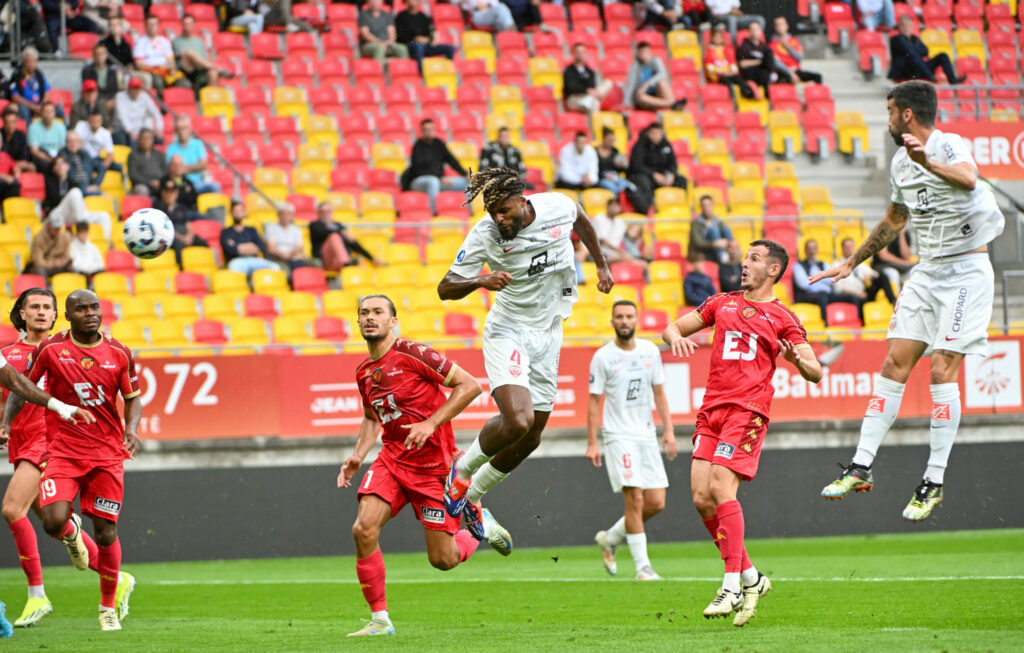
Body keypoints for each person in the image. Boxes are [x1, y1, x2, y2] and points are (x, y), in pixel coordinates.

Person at [815, 81, 1004, 520]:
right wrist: (852, 261)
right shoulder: (900, 162)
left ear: (906, 115)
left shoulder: (947, 144)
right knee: (893, 364)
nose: (886, 118)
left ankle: (932, 480)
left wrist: (929, 161)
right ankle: (861, 465)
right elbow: (896, 218)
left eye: (889, 110)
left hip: (966, 272)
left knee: (941, 368)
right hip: (928, 269)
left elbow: (969, 179)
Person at [437, 167, 614, 538]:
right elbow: (445, 288)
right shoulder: (485, 234)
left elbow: (580, 217)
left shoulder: (556, 207)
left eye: (504, 210)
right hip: (509, 331)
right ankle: (462, 472)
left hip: (549, 331)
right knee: (517, 420)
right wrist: (479, 280)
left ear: (523, 200)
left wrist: (600, 263)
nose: (499, 220)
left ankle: (473, 496)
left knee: (531, 435)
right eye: (493, 213)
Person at [663, 239, 822, 625]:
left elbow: (817, 372)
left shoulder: (783, 316)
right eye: (745, 257)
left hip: (747, 410)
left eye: (754, 259)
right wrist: (677, 337)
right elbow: (673, 327)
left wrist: (797, 361)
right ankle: (753, 577)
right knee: (702, 498)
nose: (744, 264)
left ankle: (731, 584)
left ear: (773, 270)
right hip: (712, 409)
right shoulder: (721, 302)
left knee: (720, 487)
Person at [338, 294, 512, 637]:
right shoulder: (364, 372)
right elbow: (372, 417)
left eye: (377, 312)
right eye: (363, 313)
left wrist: (431, 423)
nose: (369, 317)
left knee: (443, 560)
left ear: (393, 321)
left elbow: (470, 385)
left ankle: (478, 526)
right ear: (357, 322)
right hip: (391, 460)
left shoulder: (413, 353)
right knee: (363, 529)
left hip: (435, 468)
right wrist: (359, 453)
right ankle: (380, 621)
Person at [2, 289, 140, 631]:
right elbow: (16, 386)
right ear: (20, 313)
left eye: (46, 307)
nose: (40, 312)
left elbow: (131, 396)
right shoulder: (24, 352)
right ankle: (103, 569)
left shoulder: (106, 351)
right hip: (41, 443)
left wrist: (131, 428)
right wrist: (6, 423)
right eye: (33, 307)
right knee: (52, 521)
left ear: (54, 315)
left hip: (68, 445)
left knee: (16, 510)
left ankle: (51, 596)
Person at [589, 300, 676, 581]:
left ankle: (611, 537)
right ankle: (643, 568)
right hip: (618, 436)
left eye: (629, 316)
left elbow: (659, 393)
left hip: (646, 434)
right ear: (612, 321)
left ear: (636, 320)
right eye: (619, 317)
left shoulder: (650, 351)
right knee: (635, 500)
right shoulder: (603, 357)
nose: (624, 321)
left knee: (656, 502)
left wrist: (669, 430)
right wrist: (593, 442)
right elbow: (594, 401)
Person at [401, 119, 468, 214]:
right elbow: (417, 170)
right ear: (422, 131)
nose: (429, 132)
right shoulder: (417, 146)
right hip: (419, 182)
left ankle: (470, 213)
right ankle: (434, 213)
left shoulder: (439, 144)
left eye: (431, 129)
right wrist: (439, 178)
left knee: (467, 183)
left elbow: (451, 160)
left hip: (438, 180)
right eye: (426, 129)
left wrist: (465, 173)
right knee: (433, 181)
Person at [793, 238, 865, 321]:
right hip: (807, 295)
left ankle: (858, 322)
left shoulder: (823, 264)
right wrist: (823, 276)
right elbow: (804, 284)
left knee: (852, 298)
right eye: (809, 248)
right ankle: (825, 325)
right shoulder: (798, 265)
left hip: (827, 294)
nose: (812, 251)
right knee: (822, 298)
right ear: (805, 250)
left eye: (814, 248)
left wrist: (813, 276)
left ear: (817, 250)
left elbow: (832, 280)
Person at [627, 123, 687, 215]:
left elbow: (673, 162)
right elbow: (636, 165)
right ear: (648, 133)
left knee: (681, 180)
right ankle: (651, 210)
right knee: (644, 182)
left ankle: (681, 208)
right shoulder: (639, 146)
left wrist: (671, 174)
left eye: (659, 133)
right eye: (653, 133)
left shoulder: (665, 144)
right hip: (647, 176)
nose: (656, 136)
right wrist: (653, 174)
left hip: (663, 176)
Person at [889, 16, 965, 84]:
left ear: (912, 27)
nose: (906, 28)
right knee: (913, 56)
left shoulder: (915, 39)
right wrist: (914, 50)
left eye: (908, 25)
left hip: (920, 69)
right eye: (903, 25)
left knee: (943, 55)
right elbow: (910, 52)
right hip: (906, 71)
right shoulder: (896, 39)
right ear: (899, 27)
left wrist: (912, 49)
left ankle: (952, 79)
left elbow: (925, 51)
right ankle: (929, 76)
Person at [311, 201, 382, 272]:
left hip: (337, 262)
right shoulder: (315, 225)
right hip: (325, 261)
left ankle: (347, 263)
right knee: (334, 237)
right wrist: (340, 232)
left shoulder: (338, 225)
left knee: (362, 265)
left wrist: (371, 258)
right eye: (323, 212)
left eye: (328, 211)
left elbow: (354, 243)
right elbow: (321, 232)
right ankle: (346, 262)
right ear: (319, 213)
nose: (326, 214)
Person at [153, 178, 207, 263]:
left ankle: (206, 264)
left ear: (177, 193)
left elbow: (188, 225)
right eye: (167, 192)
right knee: (178, 245)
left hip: (183, 233)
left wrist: (189, 235)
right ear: (162, 193)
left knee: (202, 242)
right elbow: (163, 229)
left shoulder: (181, 208)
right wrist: (182, 238)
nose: (170, 195)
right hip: (171, 236)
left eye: (173, 192)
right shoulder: (159, 208)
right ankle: (182, 269)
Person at [221, 200, 280, 276]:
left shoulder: (251, 230)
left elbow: (260, 246)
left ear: (244, 212)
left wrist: (240, 247)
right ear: (231, 213)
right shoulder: (226, 232)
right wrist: (250, 246)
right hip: (237, 260)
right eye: (236, 211)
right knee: (234, 268)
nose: (238, 213)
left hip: (254, 259)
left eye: (240, 210)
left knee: (275, 267)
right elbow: (230, 250)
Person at [173, 14, 232, 90]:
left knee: (213, 72)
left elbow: (204, 58)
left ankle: (211, 98)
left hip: (200, 68)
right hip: (187, 70)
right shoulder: (176, 41)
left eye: (190, 24)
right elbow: (182, 56)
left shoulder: (199, 40)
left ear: (194, 25)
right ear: (182, 25)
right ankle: (219, 69)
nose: (188, 26)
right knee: (189, 53)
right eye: (185, 24)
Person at [395, 0, 455, 73]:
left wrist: (429, 39)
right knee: (419, 47)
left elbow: (430, 33)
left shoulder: (423, 17)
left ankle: (447, 71)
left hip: (425, 44)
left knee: (450, 49)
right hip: (410, 43)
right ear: (406, 2)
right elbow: (399, 36)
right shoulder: (401, 17)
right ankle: (422, 73)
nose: (413, 2)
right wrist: (415, 39)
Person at [624, 42, 686, 112]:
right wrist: (627, 103)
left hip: (656, 94)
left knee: (662, 82)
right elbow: (630, 85)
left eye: (646, 52)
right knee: (641, 96)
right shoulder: (635, 66)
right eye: (642, 52)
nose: (645, 55)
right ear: (638, 53)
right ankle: (672, 104)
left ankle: (670, 103)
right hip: (643, 98)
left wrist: (647, 84)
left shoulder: (655, 60)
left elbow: (662, 74)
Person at [833, 236, 895, 305]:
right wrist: (858, 294)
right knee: (857, 300)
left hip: (864, 293)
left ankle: (893, 302)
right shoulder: (837, 265)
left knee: (882, 277)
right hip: (852, 296)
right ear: (842, 249)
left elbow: (875, 274)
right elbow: (839, 289)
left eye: (851, 247)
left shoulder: (859, 263)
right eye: (847, 247)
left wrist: (871, 276)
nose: (849, 249)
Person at [165, 115, 218, 194]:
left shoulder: (197, 144)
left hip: (197, 182)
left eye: (183, 128)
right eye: (178, 129)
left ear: (189, 129)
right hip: (180, 183)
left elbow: (204, 165)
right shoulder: (170, 148)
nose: (181, 131)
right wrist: (195, 167)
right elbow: (173, 170)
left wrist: (185, 169)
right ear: (175, 131)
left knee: (215, 187)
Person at [591, 198, 647, 271]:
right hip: (602, 253)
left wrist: (636, 230)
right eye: (613, 205)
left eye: (617, 206)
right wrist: (620, 251)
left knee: (642, 262)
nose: (615, 208)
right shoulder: (599, 219)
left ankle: (639, 265)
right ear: (608, 206)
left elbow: (628, 237)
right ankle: (638, 263)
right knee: (636, 262)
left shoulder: (620, 222)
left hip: (616, 253)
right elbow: (603, 241)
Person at [133, 15, 182, 91]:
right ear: (145, 26)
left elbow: (171, 61)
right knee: (159, 82)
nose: (152, 27)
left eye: (154, 24)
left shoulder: (165, 41)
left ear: (158, 26)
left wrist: (172, 69)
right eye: (150, 24)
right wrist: (155, 68)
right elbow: (139, 64)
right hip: (150, 72)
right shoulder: (140, 42)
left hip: (166, 71)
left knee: (184, 83)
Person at [704, 23, 753, 98]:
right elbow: (709, 67)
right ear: (712, 38)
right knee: (727, 81)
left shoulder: (726, 50)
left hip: (729, 73)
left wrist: (732, 71)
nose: (718, 39)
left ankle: (747, 92)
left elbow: (732, 62)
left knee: (738, 79)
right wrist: (722, 72)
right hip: (719, 75)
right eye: (716, 37)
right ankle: (731, 96)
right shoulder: (709, 51)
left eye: (720, 37)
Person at [563, 43, 613, 116]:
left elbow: (592, 85)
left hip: (588, 96)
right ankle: (595, 126)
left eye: (582, 52)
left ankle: (594, 99)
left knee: (608, 83)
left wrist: (590, 91)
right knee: (595, 102)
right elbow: (571, 87)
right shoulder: (569, 71)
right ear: (574, 54)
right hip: (575, 98)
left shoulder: (589, 71)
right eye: (578, 52)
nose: (580, 54)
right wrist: (586, 89)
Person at [770, 16, 823, 85]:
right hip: (783, 72)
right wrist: (790, 72)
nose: (780, 27)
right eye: (778, 25)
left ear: (786, 26)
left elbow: (800, 58)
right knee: (784, 78)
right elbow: (776, 63)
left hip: (796, 70)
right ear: (775, 27)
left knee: (817, 76)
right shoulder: (772, 44)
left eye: (782, 24)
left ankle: (817, 95)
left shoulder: (794, 41)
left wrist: (787, 46)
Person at [265, 203, 317, 271]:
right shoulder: (271, 228)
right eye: (283, 213)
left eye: (288, 213)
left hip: (293, 257)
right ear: (278, 214)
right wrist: (284, 255)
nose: (285, 216)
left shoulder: (296, 229)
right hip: (278, 258)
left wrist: (290, 255)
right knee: (286, 271)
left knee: (315, 263)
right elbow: (271, 248)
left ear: (292, 215)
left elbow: (299, 247)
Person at [9, 47, 55, 122]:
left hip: (40, 105)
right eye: (29, 61)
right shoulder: (17, 75)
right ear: (24, 62)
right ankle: (27, 133)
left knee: (56, 109)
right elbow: (15, 97)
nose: (31, 64)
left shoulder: (39, 74)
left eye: (33, 61)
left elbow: (47, 93)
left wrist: (42, 107)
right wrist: (33, 107)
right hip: (26, 105)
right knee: (24, 110)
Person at [115, 77, 163, 147]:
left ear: (140, 89)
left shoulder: (144, 97)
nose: (135, 91)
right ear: (128, 88)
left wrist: (159, 128)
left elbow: (156, 113)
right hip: (124, 129)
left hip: (140, 129)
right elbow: (123, 117)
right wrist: (130, 131)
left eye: (137, 88)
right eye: (133, 88)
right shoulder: (120, 96)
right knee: (133, 140)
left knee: (159, 138)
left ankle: (155, 156)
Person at [74, 110, 120, 176]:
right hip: (82, 157)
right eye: (93, 121)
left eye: (98, 121)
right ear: (88, 120)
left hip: (96, 158)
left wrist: (104, 165)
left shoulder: (105, 133)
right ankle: (91, 184)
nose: (95, 123)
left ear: (101, 121)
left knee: (117, 167)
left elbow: (110, 154)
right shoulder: (80, 126)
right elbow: (74, 142)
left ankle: (95, 185)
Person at [736, 22, 776, 99]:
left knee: (769, 54)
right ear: (749, 32)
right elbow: (742, 64)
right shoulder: (744, 46)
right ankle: (768, 89)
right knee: (765, 71)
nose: (755, 31)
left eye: (757, 29)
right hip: (750, 73)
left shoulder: (764, 46)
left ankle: (773, 74)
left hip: (764, 71)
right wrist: (760, 61)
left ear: (761, 31)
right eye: (753, 29)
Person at [689, 195, 733, 264]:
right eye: (704, 205)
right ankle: (722, 255)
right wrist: (714, 244)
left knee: (726, 229)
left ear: (712, 206)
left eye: (708, 205)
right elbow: (698, 243)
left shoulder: (717, 220)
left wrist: (725, 242)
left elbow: (725, 233)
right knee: (713, 229)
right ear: (701, 207)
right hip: (704, 252)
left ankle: (731, 252)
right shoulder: (696, 223)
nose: (706, 207)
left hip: (716, 249)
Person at [60, 130, 105, 196]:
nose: (73, 144)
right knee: (102, 195)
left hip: (88, 184)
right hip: (74, 186)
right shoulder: (63, 155)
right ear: (66, 143)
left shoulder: (85, 155)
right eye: (70, 141)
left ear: (79, 143)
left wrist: (96, 184)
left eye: (75, 141)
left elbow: (101, 167)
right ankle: (100, 193)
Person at [27, 101, 66, 172]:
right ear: (41, 113)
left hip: (58, 155)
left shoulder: (61, 126)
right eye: (46, 112)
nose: (49, 114)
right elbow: (34, 150)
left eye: (51, 112)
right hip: (42, 156)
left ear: (55, 113)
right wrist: (51, 160)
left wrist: (58, 160)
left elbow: (62, 147)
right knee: (47, 165)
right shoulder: (33, 127)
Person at [126, 128, 166, 196]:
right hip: (143, 184)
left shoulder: (159, 154)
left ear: (153, 140)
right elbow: (133, 175)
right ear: (139, 140)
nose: (147, 141)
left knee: (170, 187)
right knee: (141, 189)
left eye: (149, 138)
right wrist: (150, 182)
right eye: (144, 138)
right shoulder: (134, 155)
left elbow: (166, 171)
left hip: (159, 183)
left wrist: (160, 182)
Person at [595, 127, 634, 196]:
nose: (611, 142)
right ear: (603, 138)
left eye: (612, 140)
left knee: (629, 186)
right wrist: (603, 176)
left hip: (615, 176)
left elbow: (622, 169)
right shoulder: (595, 152)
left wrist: (621, 166)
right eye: (609, 140)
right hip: (601, 178)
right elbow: (592, 169)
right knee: (613, 187)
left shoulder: (615, 151)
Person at [81, 44, 120, 110]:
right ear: (93, 56)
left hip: (108, 99)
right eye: (97, 54)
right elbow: (87, 89)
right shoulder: (87, 71)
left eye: (102, 53)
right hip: (93, 99)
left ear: (106, 55)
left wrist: (110, 100)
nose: (100, 56)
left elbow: (114, 90)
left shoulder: (112, 72)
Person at [2, 107, 35, 173]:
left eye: (12, 122)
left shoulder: (21, 135)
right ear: (4, 122)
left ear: (16, 122)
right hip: (4, 165)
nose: (10, 125)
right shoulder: (0, 135)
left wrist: (19, 163)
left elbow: (24, 155)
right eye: (7, 122)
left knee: (32, 166)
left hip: (18, 164)